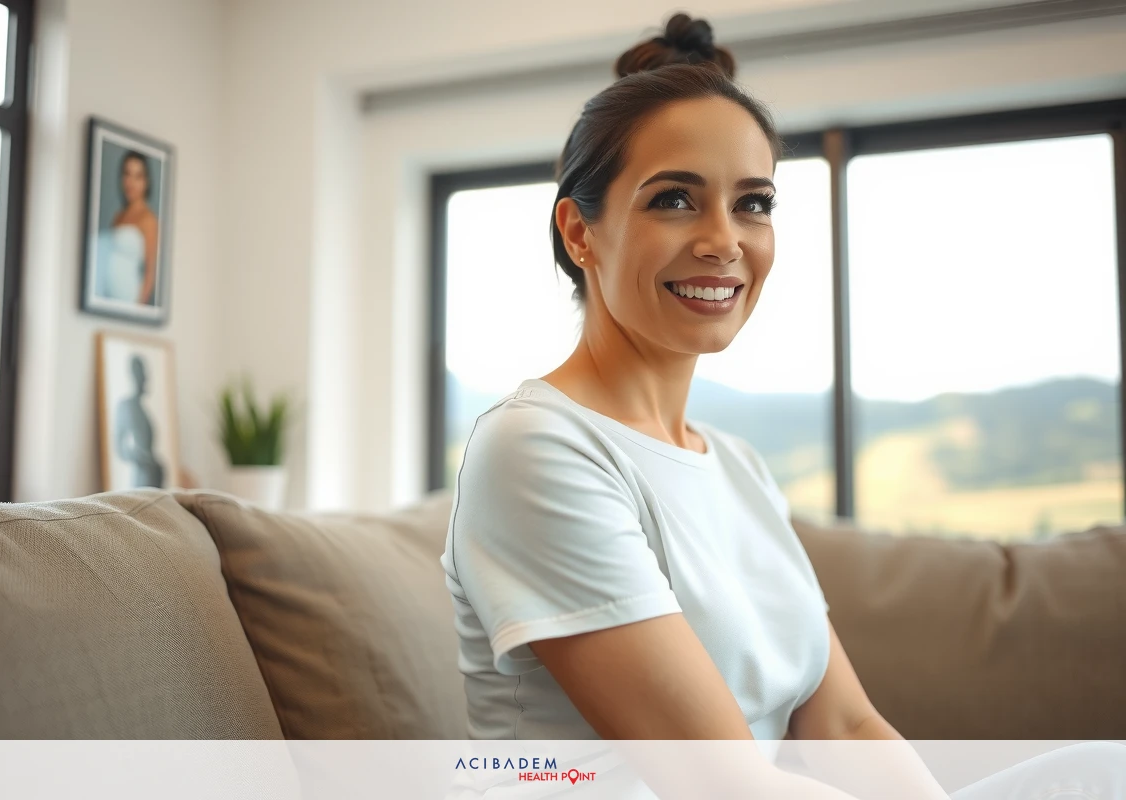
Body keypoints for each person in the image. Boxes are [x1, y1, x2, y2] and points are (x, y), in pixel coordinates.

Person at [439, 12, 1124, 799]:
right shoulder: (535, 448)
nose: (724, 241)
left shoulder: (737, 468)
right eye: (673, 200)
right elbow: (720, 779)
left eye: (754, 203)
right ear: (579, 232)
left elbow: (846, 727)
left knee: (1107, 769)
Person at [96, 150, 159, 306]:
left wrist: (138, 307)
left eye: (137, 176)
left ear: (146, 181)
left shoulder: (148, 219)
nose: (131, 182)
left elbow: (151, 273)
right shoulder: (118, 217)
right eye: (127, 174)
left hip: (130, 299)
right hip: (108, 299)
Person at [115, 354, 165, 488]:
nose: (145, 379)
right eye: (141, 374)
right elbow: (120, 447)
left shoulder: (143, 408)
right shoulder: (126, 406)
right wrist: (142, 458)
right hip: (143, 477)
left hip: (155, 475)